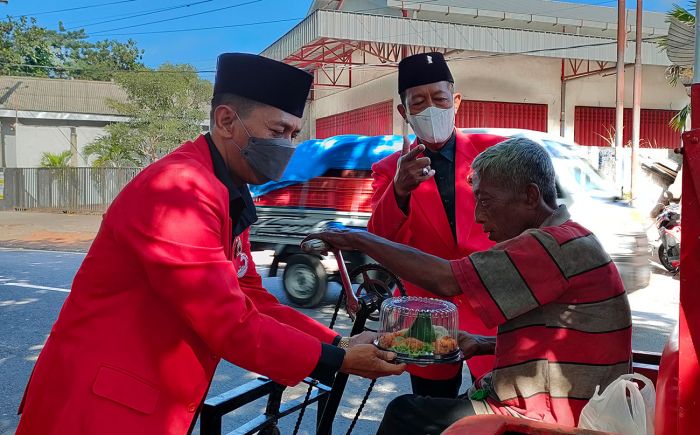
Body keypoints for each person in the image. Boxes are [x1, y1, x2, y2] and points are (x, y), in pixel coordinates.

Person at [16, 53, 404, 434]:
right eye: (277, 131)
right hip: (98, 407)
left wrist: (337, 339)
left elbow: (253, 298)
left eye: (293, 134)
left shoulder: (228, 189)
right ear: (225, 120)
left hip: (146, 404)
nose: (287, 146)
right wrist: (336, 360)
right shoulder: (178, 189)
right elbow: (228, 323)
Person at [305, 137, 633, 434]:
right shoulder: (570, 237)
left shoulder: (548, 245)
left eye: (486, 201)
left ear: (531, 196)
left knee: (405, 413)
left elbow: (447, 279)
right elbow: (561, 335)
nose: (477, 215)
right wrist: (486, 343)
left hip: (550, 415)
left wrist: (357, 238)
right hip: (560, 401)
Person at [367, 51, 505, 398]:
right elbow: (381, 242)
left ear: (455, 100)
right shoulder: (389, 170)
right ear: (404, 111)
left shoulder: (497, 154)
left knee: (491, 408)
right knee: (431, 410)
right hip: (427, 315)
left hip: (492, 308)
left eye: (439, 98)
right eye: (419, 101)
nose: (431, 108)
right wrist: (399, 191)